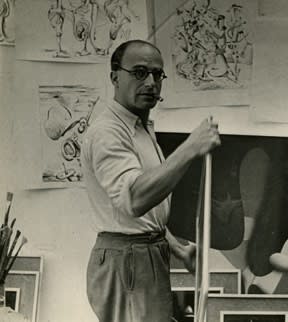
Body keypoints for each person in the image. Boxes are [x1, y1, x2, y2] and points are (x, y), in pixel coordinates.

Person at [81, 39, 221, 322]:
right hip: (128, 262)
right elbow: (134, 199)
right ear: (114, 77)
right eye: (139, 72)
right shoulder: (108, 132)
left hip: (143, 255)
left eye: (157, 74)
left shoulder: (140, 127)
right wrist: (190, 147)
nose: (151, 82)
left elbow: (143, 218)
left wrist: (177, 248)